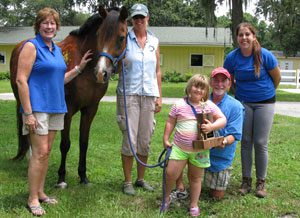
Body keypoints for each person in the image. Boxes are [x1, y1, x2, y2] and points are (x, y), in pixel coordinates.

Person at [16, 7, 92, 216]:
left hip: (57, 107)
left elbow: (59, 78)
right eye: (45, 23)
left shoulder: (56, 50)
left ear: (57, 27)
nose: (49, 27)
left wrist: (79, 69)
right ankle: (32, 199)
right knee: (39, 153)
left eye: (53, 23)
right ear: (38, 25)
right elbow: (21, 80)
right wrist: (28, 113)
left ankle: (40, 192)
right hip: (37, 108)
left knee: (47, 152)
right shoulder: (31, 47)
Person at [223, 22, 281, 198]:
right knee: (246, 141)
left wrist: (265, 93)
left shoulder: (265, 55)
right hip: (244, 103)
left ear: (253, 36)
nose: (244, 38)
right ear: (237, 38)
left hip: (265, 102)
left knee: (261, 142)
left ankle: (260, 182)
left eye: (247, 34)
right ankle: (246, 180)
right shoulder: (232, 58)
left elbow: (276, 78)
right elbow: (227, 80)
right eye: (241, 35)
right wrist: (239, 94)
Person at [172, 67, 244, 201]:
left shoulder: (236, 106)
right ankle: (180, 185)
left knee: (216, 196)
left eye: (224, 81)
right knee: (178, 150)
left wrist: (223, 141)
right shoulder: (199, 98)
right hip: (193, 149)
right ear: (210, 82)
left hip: (219, 157)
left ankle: (209, 176)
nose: (219, 84)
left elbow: (234, 135)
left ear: (229, 84)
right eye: (216, 80)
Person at [162, 74, 226, 216]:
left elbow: (223, 119)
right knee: (170, 173)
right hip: (180, 148)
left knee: (196, 178)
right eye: (196, 86)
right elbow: (170, 121)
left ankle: (194, 204)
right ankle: (166, 198)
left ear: (206, 91)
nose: (198, 90)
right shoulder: (179, 104)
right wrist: (166, 138)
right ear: (189, 87)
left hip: (200, 150)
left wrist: (212, 127)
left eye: (202, 88)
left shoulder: (208, 106)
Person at [116, 3, 162, 196]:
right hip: (129, 95)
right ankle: (127, 182)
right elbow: (115, 63)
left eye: (142, 17)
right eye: (135, 18)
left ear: (148, 18)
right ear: (131, 20)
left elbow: (157, 70)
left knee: (145, 139)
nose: (139, 21)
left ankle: (141, 179)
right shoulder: (124, 40)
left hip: (149, 95)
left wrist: (159, 95)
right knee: (130, 139)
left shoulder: (154, 41)